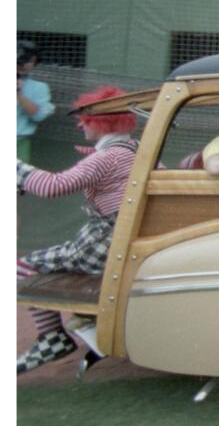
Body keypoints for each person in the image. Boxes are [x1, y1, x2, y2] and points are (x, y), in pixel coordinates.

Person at [16, 86, 139, 373]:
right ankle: (82, 326)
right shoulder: (133, 149)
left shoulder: (108, 157)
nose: (79, 123)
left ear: (101, 121)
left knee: (17, 268)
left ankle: (53, 339)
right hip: (117, 241)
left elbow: (51, 187)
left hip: (102, 246)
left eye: (85, 118)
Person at [17, 41, 54, 165]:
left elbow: (38, 116)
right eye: (22, 59)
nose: (25, 64)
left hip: (18, 142)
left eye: (31, 61)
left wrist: (18, 94)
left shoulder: (39, 87)